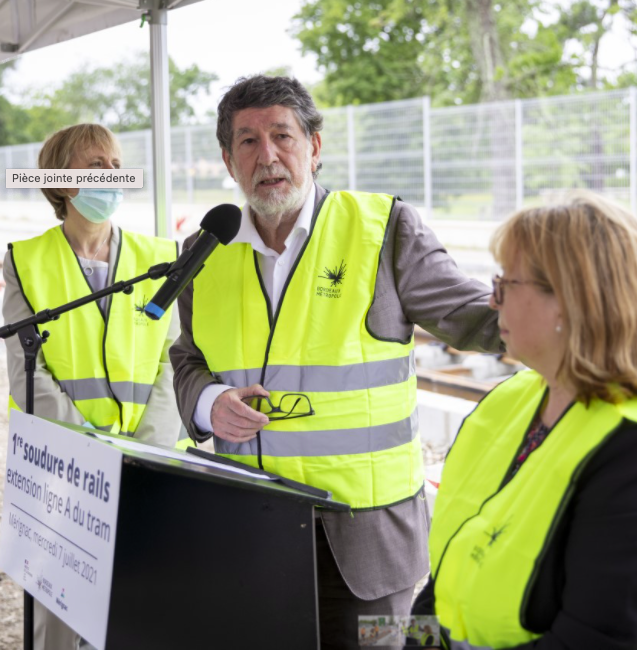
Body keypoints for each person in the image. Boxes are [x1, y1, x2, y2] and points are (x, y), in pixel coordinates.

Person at [169, 75, 502, 649]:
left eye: (283, 135)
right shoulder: (204, 252)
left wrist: (579, 316)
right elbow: (188, 357)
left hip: (374, 549)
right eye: (247, 141)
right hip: (253, 533)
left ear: (315, 147)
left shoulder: (385, 228)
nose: (267, 156)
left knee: (390, 646)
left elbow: (478, 317)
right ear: (228, 160)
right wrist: (207, 403)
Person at [413, 191, 637, 649]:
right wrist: (410, 641)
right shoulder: (511, 398)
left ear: (570, 300)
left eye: (505, 286)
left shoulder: (625, 449)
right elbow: (448, 569)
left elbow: (597, 637)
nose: (492, 303)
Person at [2, 124, 183, 649]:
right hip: (63, 471)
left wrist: (144, 456)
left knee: (141, 607)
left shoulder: (161, 256)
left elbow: (172, 363)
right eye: (92, 167)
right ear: (59, 183)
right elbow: (27, 372)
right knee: (59, 621)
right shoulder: (25, 261)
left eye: (114, 165)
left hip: (148, 467)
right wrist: (93, 457)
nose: (110, 176)